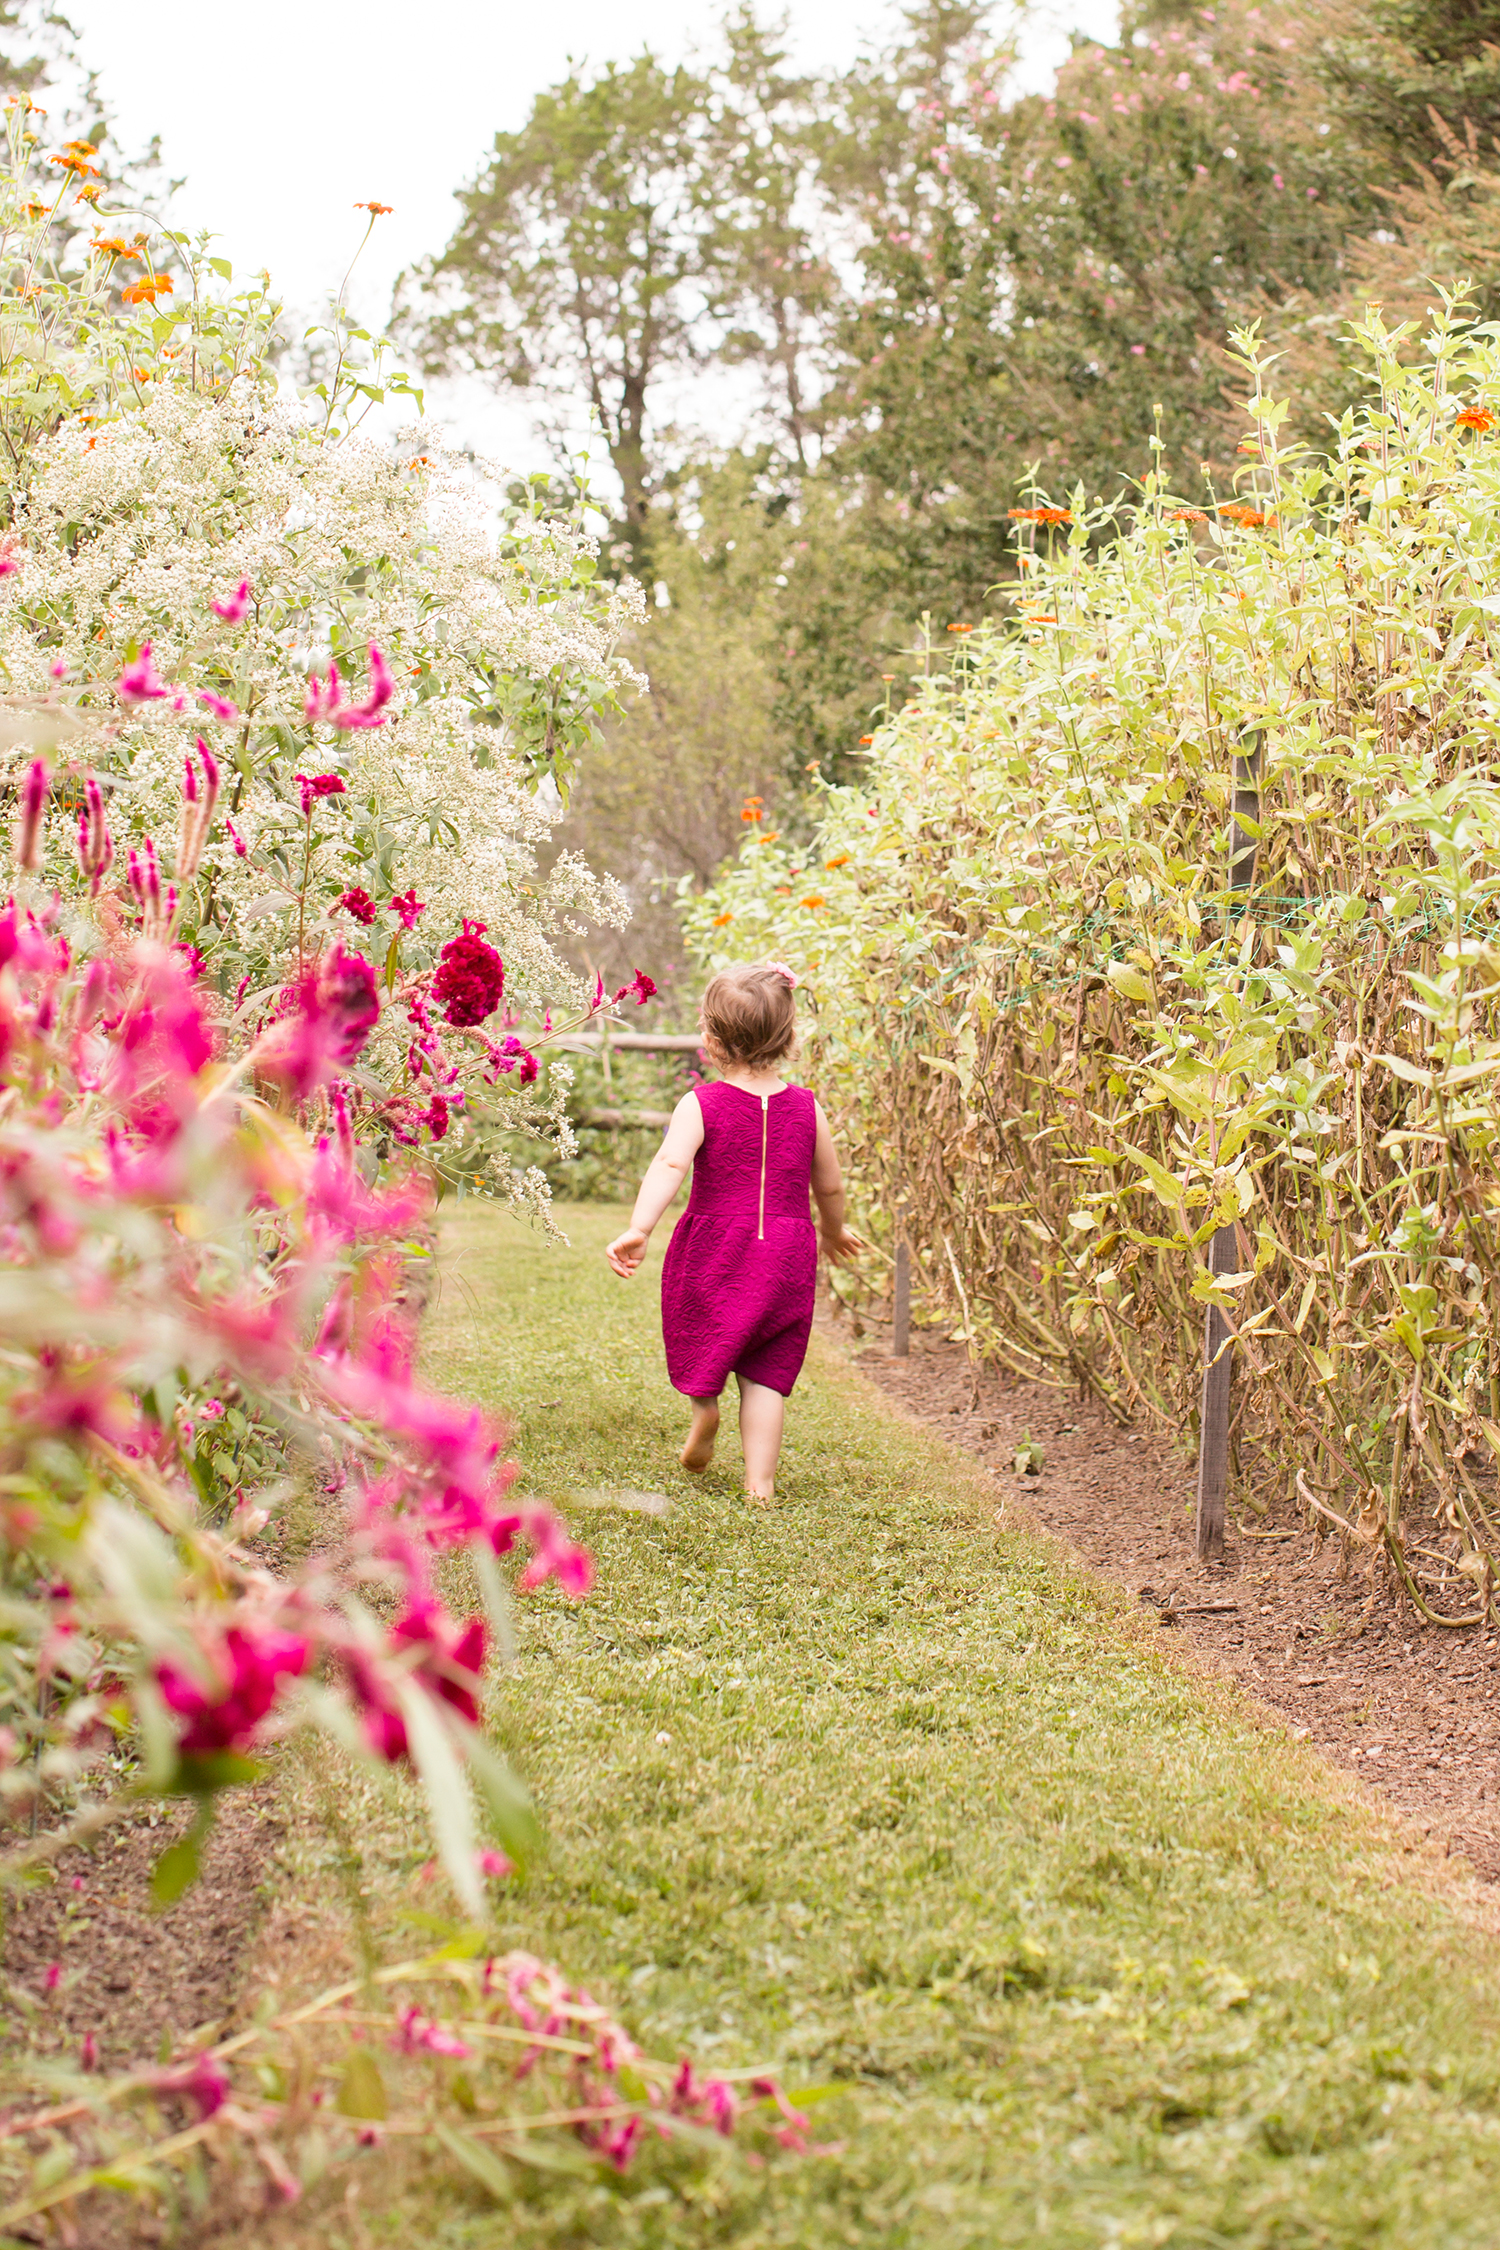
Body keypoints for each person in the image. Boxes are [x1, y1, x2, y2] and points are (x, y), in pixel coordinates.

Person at [604, 960, 861, 1502]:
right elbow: (831, 1187)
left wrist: (639, 1227)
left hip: (714, 1246)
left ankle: (704, 1408)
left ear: (711, 1039)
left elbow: (670, 1165)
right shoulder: (809, 1108)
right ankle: (760, 1485)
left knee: (702, 1333)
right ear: (788, 1036)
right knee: (766, 1371)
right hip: (787, 1252)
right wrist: (834, 1233)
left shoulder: (701, 1103)